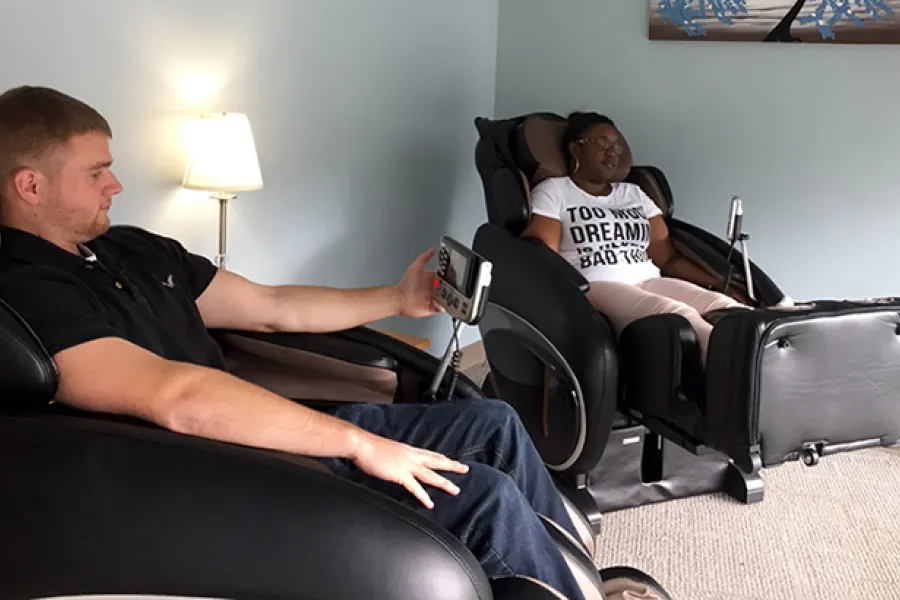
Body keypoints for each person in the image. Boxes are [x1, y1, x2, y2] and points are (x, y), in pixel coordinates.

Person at [0, 86, 588, 600]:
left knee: (493, 422)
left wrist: (396, 297)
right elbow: (178, 397)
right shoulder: (25, 289)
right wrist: (359, 444)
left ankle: (572, 579)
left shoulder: (131, 248)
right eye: (96, 172)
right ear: (30, 185)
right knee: (485, 497)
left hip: (265, 433)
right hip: (213, 475)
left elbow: (272, 307)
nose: (116, 184)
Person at [522, 111, 749, 364]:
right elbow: (544, 256)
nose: (612, 152)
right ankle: (737, 370)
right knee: (679, 315)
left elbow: (668, 258)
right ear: (576, 148)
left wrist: (719, 282)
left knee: (723, 306)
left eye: (617, 145)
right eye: (602, 143)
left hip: (648, 278)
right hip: (595, 284)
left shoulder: (634, 194)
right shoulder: (555, 191)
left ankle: (768, 361)